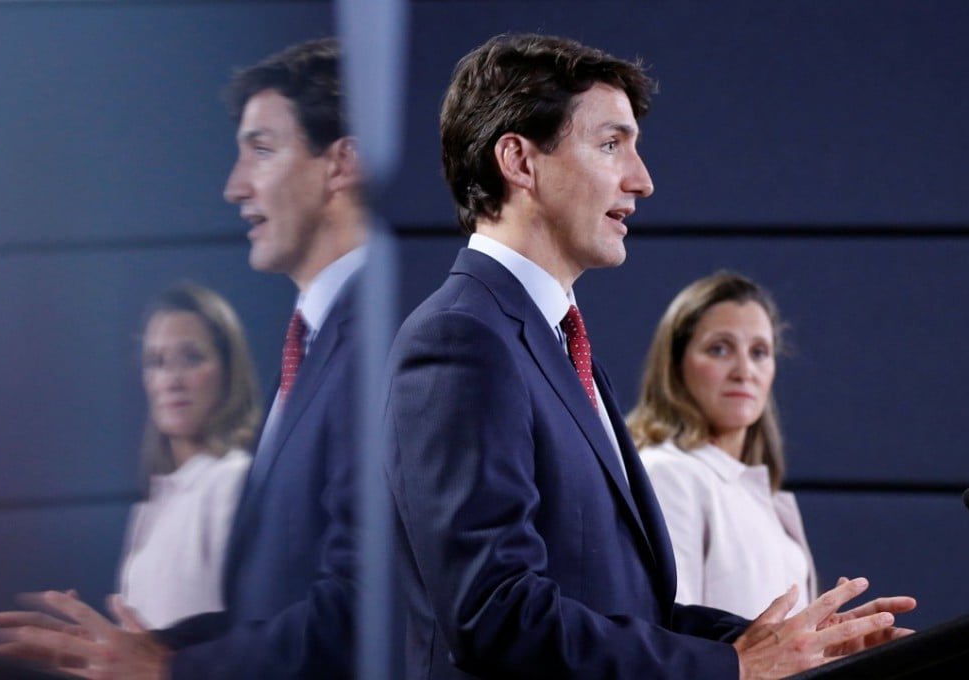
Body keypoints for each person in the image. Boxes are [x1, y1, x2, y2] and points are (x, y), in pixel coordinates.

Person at [384, 32, 915, 679]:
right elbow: (495, 613)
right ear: (520, 162)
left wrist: (782, 641)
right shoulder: (461, 339)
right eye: (611, 144)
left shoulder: (554, 342)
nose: (643, 180)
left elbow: (628, 608)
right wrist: (729, 669)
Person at [0, 37, 368, 679]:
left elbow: (365, 606)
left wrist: (168, 670)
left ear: (339, 164)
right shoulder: (319, 347)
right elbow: (273, 605)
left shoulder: (382, 344)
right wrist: (134, 649)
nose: (234, 185)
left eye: (262, 150)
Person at [627, 271, 817, 620]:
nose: (744, 371)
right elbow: (668, 636)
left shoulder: (764, 496)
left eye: (759, 352)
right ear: (676, 365)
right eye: (720, 349)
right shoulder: (667, 473)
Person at [119, 282, 260, 629]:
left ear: (229, 369)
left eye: (191, 358)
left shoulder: (234, 480)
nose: (171, 380)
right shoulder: (152, 506)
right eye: (156, 362)